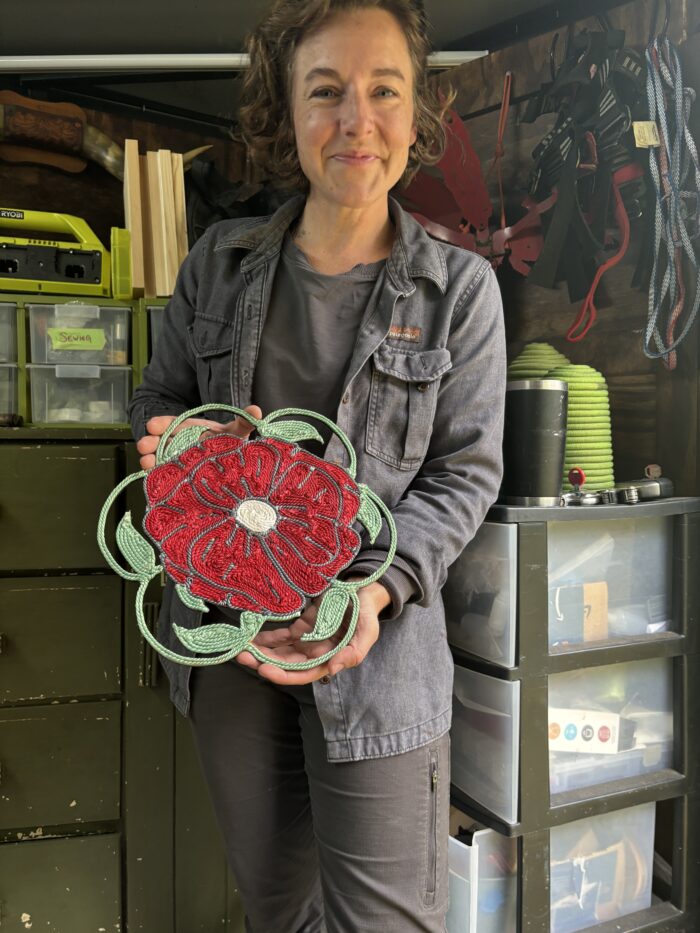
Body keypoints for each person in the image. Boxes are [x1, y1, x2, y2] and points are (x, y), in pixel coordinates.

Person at [128, 0, 506, 929]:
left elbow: (466, 473)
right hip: (229, 642)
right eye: (326, 91)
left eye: (384, 91)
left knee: (384, 918)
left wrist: (371, 596)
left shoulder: (460, 292)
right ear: (286, 111)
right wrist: (182, 453)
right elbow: (156, 408)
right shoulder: (217, 263)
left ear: (415, 116)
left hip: (377, 656)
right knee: (276, 908)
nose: (355, 121)